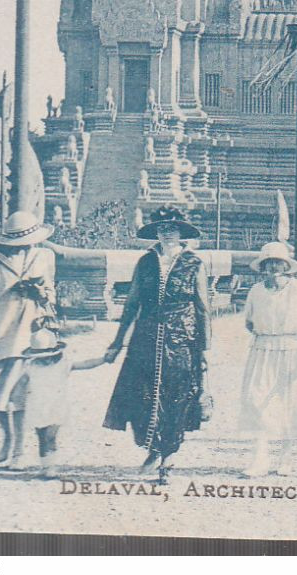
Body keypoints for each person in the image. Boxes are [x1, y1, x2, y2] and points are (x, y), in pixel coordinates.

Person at [104, 206, 210, 482]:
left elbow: (202, 307)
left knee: (177, 395)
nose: (167, 234)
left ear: (181, 232)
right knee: (142, 394)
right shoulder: (145, 263)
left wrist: (204, 348)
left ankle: (169, 454)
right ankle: (152, 447)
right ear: (156, 233)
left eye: (172, 229)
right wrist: (118, 342)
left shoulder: (194, 264)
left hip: (182, 338)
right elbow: (132, 303)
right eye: (162, 230)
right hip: (146, 338)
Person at [0, 212, 57, 468]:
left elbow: (52, 291)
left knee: (20, 393)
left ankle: (19, 451)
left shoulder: (44, 256)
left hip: (29, 332)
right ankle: (8, 437)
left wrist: (40, 292)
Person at [238, 240, 297, 477]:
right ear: (262, 267)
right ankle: (259, 458)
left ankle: (286, 457)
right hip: (263, 349)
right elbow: (249, 322)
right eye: (268, 263)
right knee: (256, 400)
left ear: (286, 266)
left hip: (291, 348)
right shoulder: (256, 291)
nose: (273, 267)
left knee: (289, 402)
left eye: (278, 263)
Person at [12, 320, 109, 470]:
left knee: (51, 436)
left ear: (55, 353)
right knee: (42, 438)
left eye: (47, 356)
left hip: (56, 406)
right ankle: (46, 465)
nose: (45, 359)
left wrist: (103, 359)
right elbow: (19, 385)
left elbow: (84, 364)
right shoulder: (30, 367)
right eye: (40, 357)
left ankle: (51, 466)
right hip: (37, 407)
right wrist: (14, 398)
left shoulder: (63, 364)